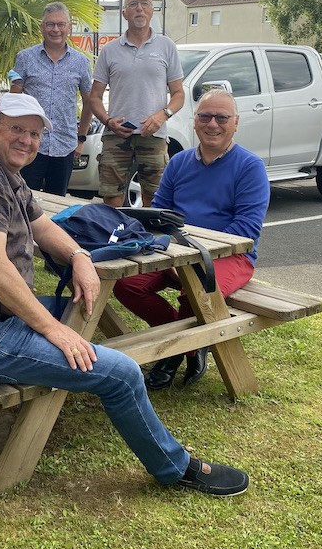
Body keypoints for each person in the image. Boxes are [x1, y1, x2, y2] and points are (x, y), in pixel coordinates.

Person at [0, 92, 250, 497]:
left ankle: (74, 373)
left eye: (34, 133)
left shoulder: (4, 173)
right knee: (121, 372)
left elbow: (43, 227)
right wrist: (54, 331)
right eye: (16, 129)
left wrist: (79, 256)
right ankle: (175, 467)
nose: (27, 140)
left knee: (84, 311)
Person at [114, 89, 270, 388]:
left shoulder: (250, 167)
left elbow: (246, 230)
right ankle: (180, 339)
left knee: (196, 289)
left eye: (222, 117)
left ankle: (177, 352)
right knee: (126, 284)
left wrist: (188, 259)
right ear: (195, 121)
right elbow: (159, 214)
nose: (213, 124)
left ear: (235, 123)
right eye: (205, 116)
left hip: (230, 257)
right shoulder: (179, 162)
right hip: (175, 252)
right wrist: (173, 256)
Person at [87, 0, 185, 208]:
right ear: (124, 13)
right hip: (116, 135)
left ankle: (149, 242)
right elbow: (94, 97)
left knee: (154, 197)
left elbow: (179, 94)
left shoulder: (166, 47)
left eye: (144, 4)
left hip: (154, 134)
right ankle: (114, 240)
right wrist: (107, 121)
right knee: (111, 198)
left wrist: (163, 115)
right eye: (133, 4)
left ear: (152, 11)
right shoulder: (110, 50)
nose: (139, 9)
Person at [9, 2, 93, 195]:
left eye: (61, 24)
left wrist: (81, 138)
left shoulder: (81, 62)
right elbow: (14, 100)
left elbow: (89, 102)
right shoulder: (25, 58)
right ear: (42, 27)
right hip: (28, 145)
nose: (56, 29)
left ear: (69, 28)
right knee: (23, 200)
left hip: (65, 145)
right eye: (50, 24)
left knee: (58, 204)